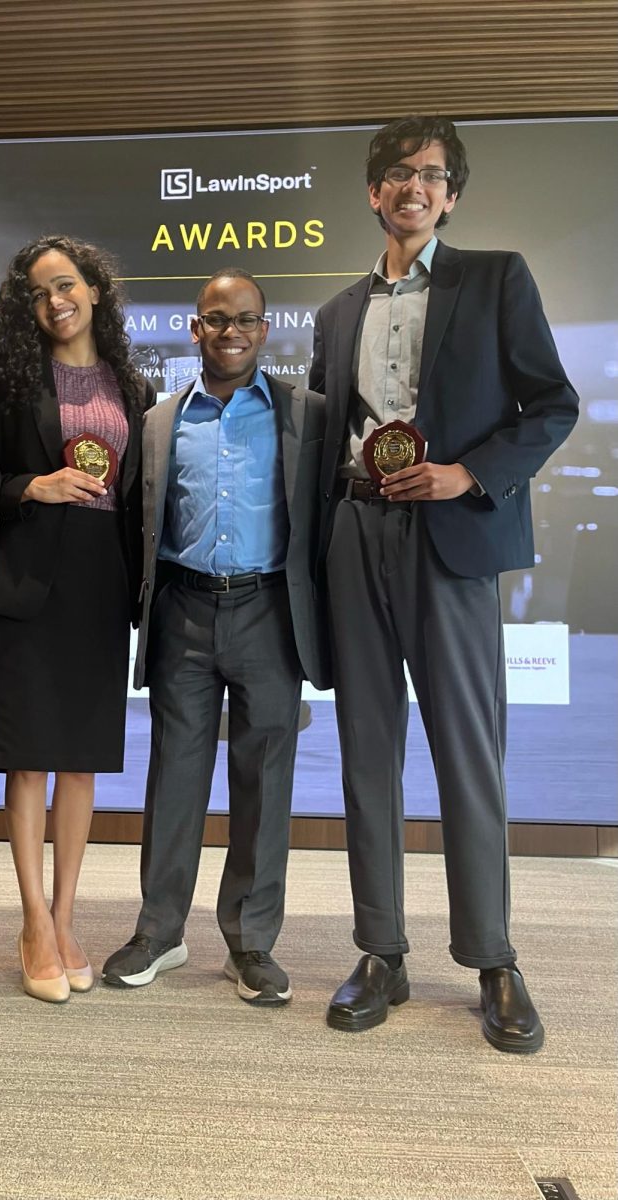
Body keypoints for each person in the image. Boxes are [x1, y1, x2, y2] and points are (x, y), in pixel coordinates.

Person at [309, 116, 579, 1052]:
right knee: (365, 749)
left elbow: (554, 404)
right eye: (397, 173)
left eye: (431, 174)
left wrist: (470, 473)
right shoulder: (337, 312)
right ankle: (380, 949)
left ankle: (494, 959)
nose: (412, 186)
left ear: (450, 196)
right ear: (374, 192)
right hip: (355, 533)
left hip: (452, 535)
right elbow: (323, 434)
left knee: (470, 749)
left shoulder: (495, 277)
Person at [102, 268, 328, 1006]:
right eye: (215, 320)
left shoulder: (306, 415)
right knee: (175, 777)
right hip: (184, 614)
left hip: (269, 613)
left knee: (265, 780)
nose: (230, 332)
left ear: (264, 331)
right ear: (194, 330)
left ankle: (251, 943)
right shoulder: (160, 421)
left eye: (245, 320)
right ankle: (160, 931)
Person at [0, 235, 153, 1004]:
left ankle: (70, 916)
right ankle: (34, 922)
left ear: (96, 291)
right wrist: (30, 489)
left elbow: (140, 495)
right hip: (27, 578)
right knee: (29, 760)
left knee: (79, 761)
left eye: (67, 285)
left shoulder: (131, 387)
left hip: (99, 584)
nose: (56, 301)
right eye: (40, 292)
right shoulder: (9, 378)